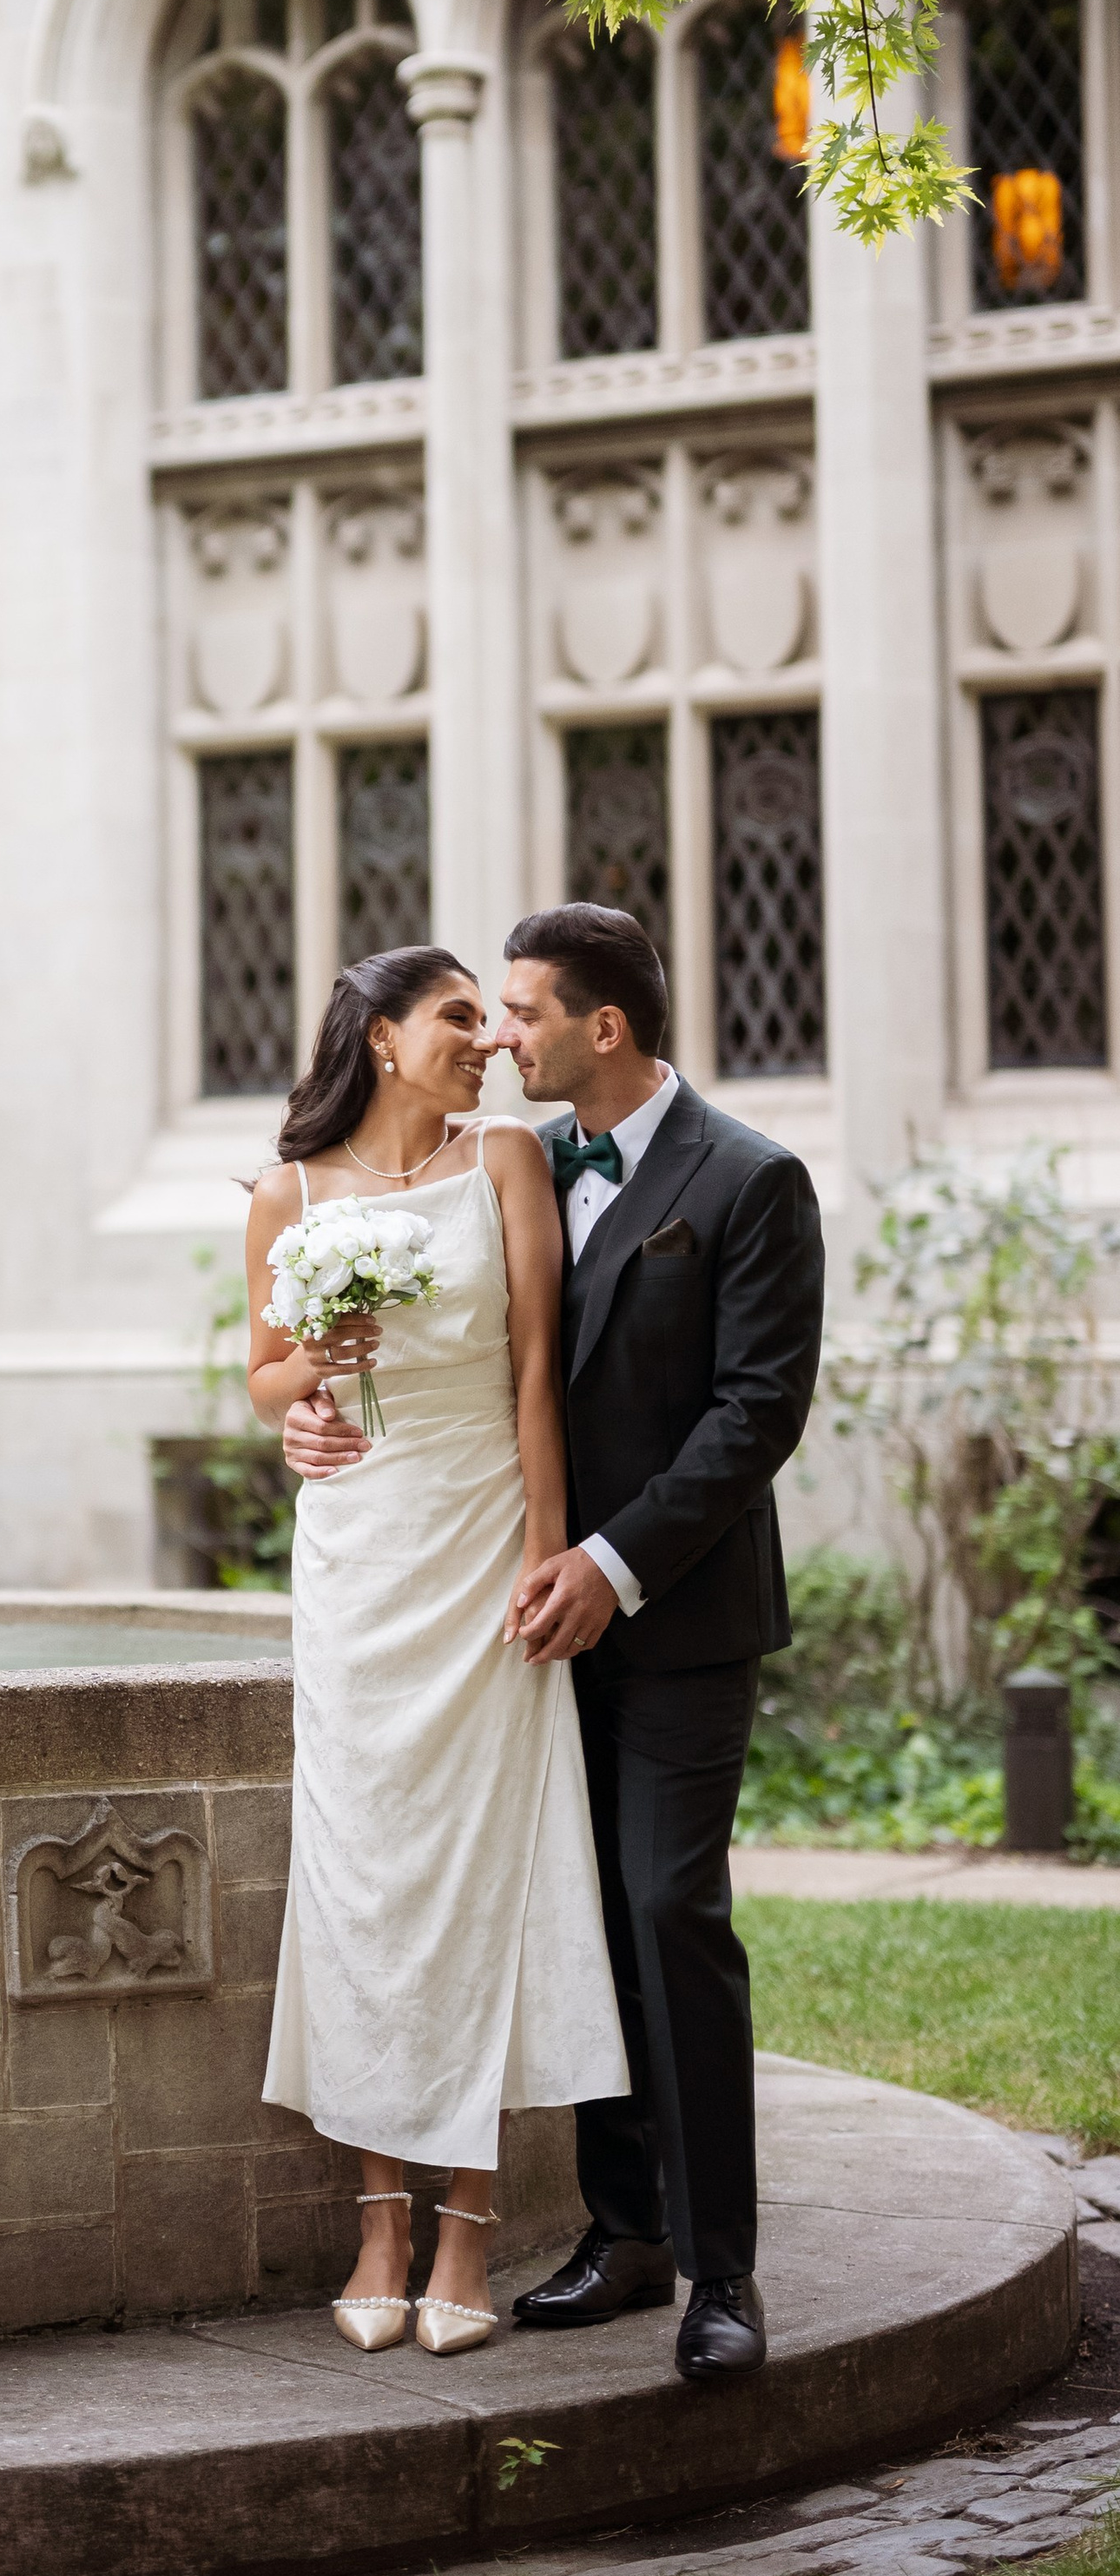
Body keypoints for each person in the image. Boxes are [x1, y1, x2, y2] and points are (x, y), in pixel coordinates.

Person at [279, 905, 825, 2382]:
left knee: (664, 1915)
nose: (505, 1035)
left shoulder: (753, 1179)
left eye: (523, 1012)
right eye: (487, 1012)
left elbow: (756, 1413)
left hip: (672, 1613)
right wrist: (310, 1407)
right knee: (569, 1913)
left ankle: (722, 2273)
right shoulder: (525, 1163)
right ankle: (626, 2230)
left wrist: (606, 1559)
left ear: (606, 1028)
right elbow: (419, 1360)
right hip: (493, 1598)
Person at [247, 948, 629, 2358]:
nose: (487, 1039)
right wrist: (313, 1372)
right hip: (356, 1555)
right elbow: (265, 1371)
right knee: (364, 1876)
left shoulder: (508, 1162)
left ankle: (467, 2222)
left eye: (492, 1014)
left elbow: (536, 1369)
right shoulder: (289, 1193)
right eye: (459, 1017)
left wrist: (549, 1552)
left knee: (481, 1874)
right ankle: (378, 2222)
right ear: (383, 1038)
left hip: (483, 1547)